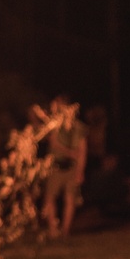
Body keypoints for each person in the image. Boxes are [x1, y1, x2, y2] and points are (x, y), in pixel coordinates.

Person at [42, 98, 87, 238]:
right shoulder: (55, 126)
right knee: (50, 197)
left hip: (71, 168)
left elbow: (83, 151)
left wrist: (80, 171)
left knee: (70, 199)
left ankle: (65, 230)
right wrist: (71, 153)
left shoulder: (79, 128)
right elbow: (54, 143)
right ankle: (53, 230)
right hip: (56, 166)